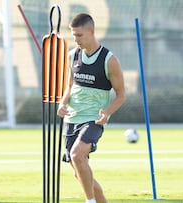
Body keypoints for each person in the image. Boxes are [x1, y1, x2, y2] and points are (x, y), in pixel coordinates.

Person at [57, 13, 125, 203]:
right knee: (79, 171)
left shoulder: (109, 60)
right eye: (73, 35)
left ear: (91, 32)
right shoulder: (72, 56)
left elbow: (121, 95)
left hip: (93, 119)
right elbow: (69, 87)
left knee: (77, 155)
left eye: (79, 35)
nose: (75, 39)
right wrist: (62, 104)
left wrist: (107, 113)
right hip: (72, 118)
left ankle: (89, 201)